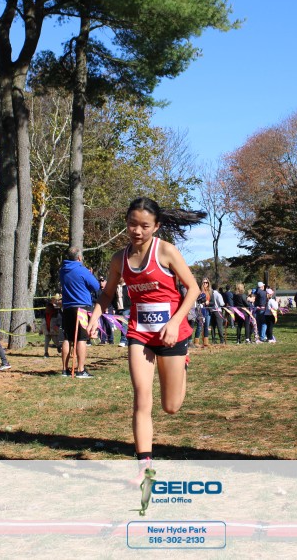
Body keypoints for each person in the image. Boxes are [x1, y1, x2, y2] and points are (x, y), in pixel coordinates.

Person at [87, 197, 203, 470]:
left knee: (171, 407)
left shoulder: (166, 251)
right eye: (132, 224)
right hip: (139, 333)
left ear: (156, 226)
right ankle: (144, 467)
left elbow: (194, 289)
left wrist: (174, 322)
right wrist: (95, 314)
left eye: (144, 226)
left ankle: (183, 363)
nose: (137, 231)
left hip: (172, 333)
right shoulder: (119, 259)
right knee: (141, 397)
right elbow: (107, 293)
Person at [59, 246, 100, 378]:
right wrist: (90, 274)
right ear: (79, 257)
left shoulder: (62, 270)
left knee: (67, 338)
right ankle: (80, 370)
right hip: (81, 307)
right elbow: (96, 286)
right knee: (81, 338)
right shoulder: (82, 270)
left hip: (67, 307)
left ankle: (64, 369)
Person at [202, 279, 225, 345]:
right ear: (217, 288)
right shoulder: (218, 294)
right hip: (218, 311)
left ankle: (213, 339)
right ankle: (222, 340)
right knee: (219, 326)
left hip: (211, 311)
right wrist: (224, 304)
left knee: (213, 326)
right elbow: (221, 303)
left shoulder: (210, 293)